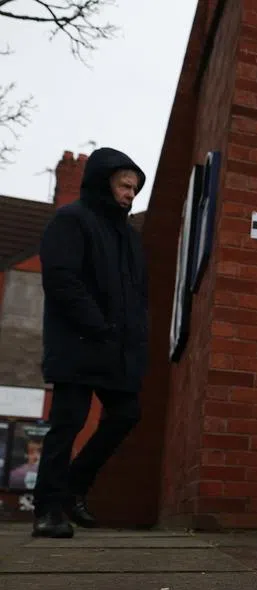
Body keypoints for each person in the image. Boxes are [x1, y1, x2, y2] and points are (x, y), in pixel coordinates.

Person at [32, 148, 148, 539]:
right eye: (124, 185)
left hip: (117, 348)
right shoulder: (71, 221)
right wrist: (97, 324)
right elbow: (62, 280)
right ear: (104, 181)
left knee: (126, 414)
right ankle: (48, 509)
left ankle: (73, 487)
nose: (130, 194)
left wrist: (133, 338)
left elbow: (137, 295)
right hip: (77, 342)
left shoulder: (130, 238)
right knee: (67, 423)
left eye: (135, 188)